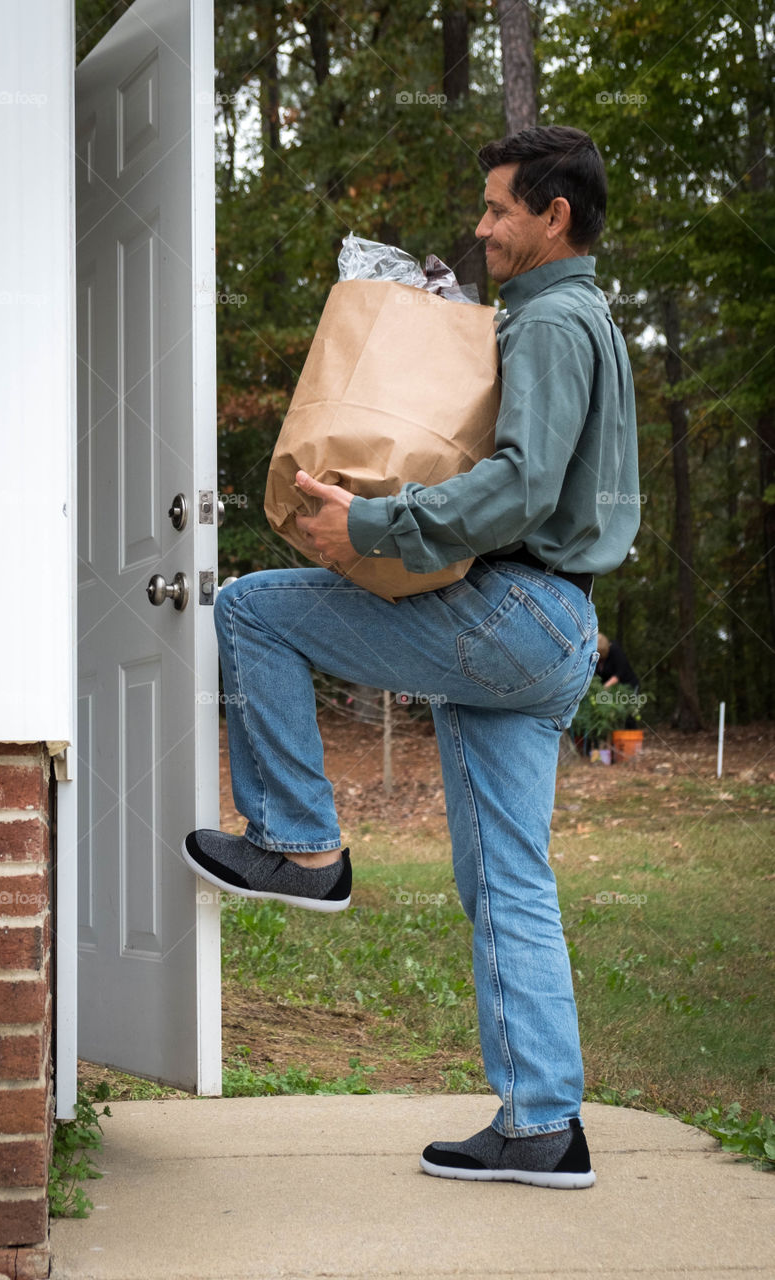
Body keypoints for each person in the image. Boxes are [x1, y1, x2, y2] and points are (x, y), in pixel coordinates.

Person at [183, 125, 640, 1189]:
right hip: (551, 624)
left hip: (517, 611)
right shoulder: (568, 318)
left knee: (254, 608)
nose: (480, 228)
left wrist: (376, 528)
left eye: (495, 210)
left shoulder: (555, 322)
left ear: (553, 215)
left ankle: (302, 844)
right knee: (507, 879)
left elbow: (524, 485)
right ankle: (543, 1126)